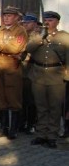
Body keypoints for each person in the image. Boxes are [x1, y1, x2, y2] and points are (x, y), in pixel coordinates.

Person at [26, 11, 68, 149]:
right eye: (46, 20)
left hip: (56, 76)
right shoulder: (36, 35)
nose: (47, 22)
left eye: (50, 20)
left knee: (55, 108)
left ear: (57, 22)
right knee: (41, 107)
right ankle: (41, 134)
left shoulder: (64, 37)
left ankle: (52, 136)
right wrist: (40, 38)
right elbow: (28, 48)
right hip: (38, 76)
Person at [0, 6, 27, 140]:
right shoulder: (1, 29)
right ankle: (4, 128)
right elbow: (2, 48)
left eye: (10, 15)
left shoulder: (20, 31)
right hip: (0, 65)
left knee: (13, 98)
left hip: (12, 67)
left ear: (17, 17)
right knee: (1, 97)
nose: (6, 17)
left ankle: (13, 129)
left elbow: (15, 47)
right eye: (5, 15)